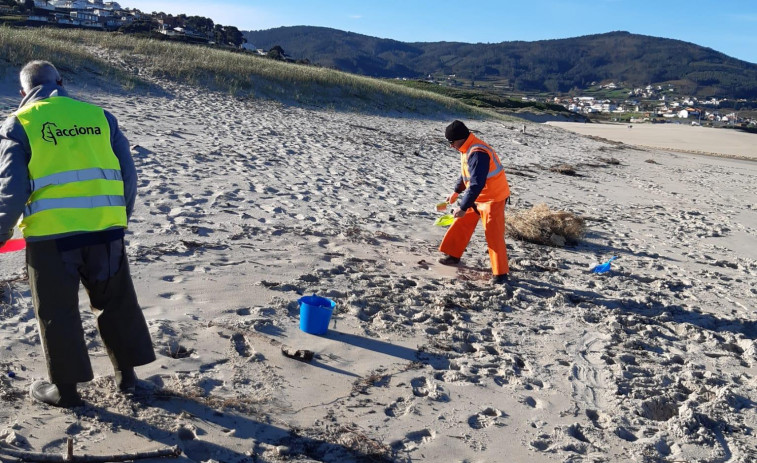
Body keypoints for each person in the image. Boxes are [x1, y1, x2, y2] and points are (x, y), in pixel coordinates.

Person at [0, 60, 155, 407]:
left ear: (23, 93)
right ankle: (127, 379)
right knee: (116, 302)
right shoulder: (100, 117)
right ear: (60, 80)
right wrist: (120, 219)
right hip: (105, 231)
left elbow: (11, 194)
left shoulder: (19, 124)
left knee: (57, 311)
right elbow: (128, 176)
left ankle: (66, 392)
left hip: (52, 239)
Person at [438, 120, 511, 285]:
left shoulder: (478, 152)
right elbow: (466, 175)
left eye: (451, 142)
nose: (451, 146)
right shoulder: (466, 148)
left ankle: (500, 274)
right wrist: (456, 191)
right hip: (478, 196)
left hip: (493, 198)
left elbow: (477, 183)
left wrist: (463, 206)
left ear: (460, 138)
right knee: (460, 222)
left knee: (493, 235)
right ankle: (453, 255)